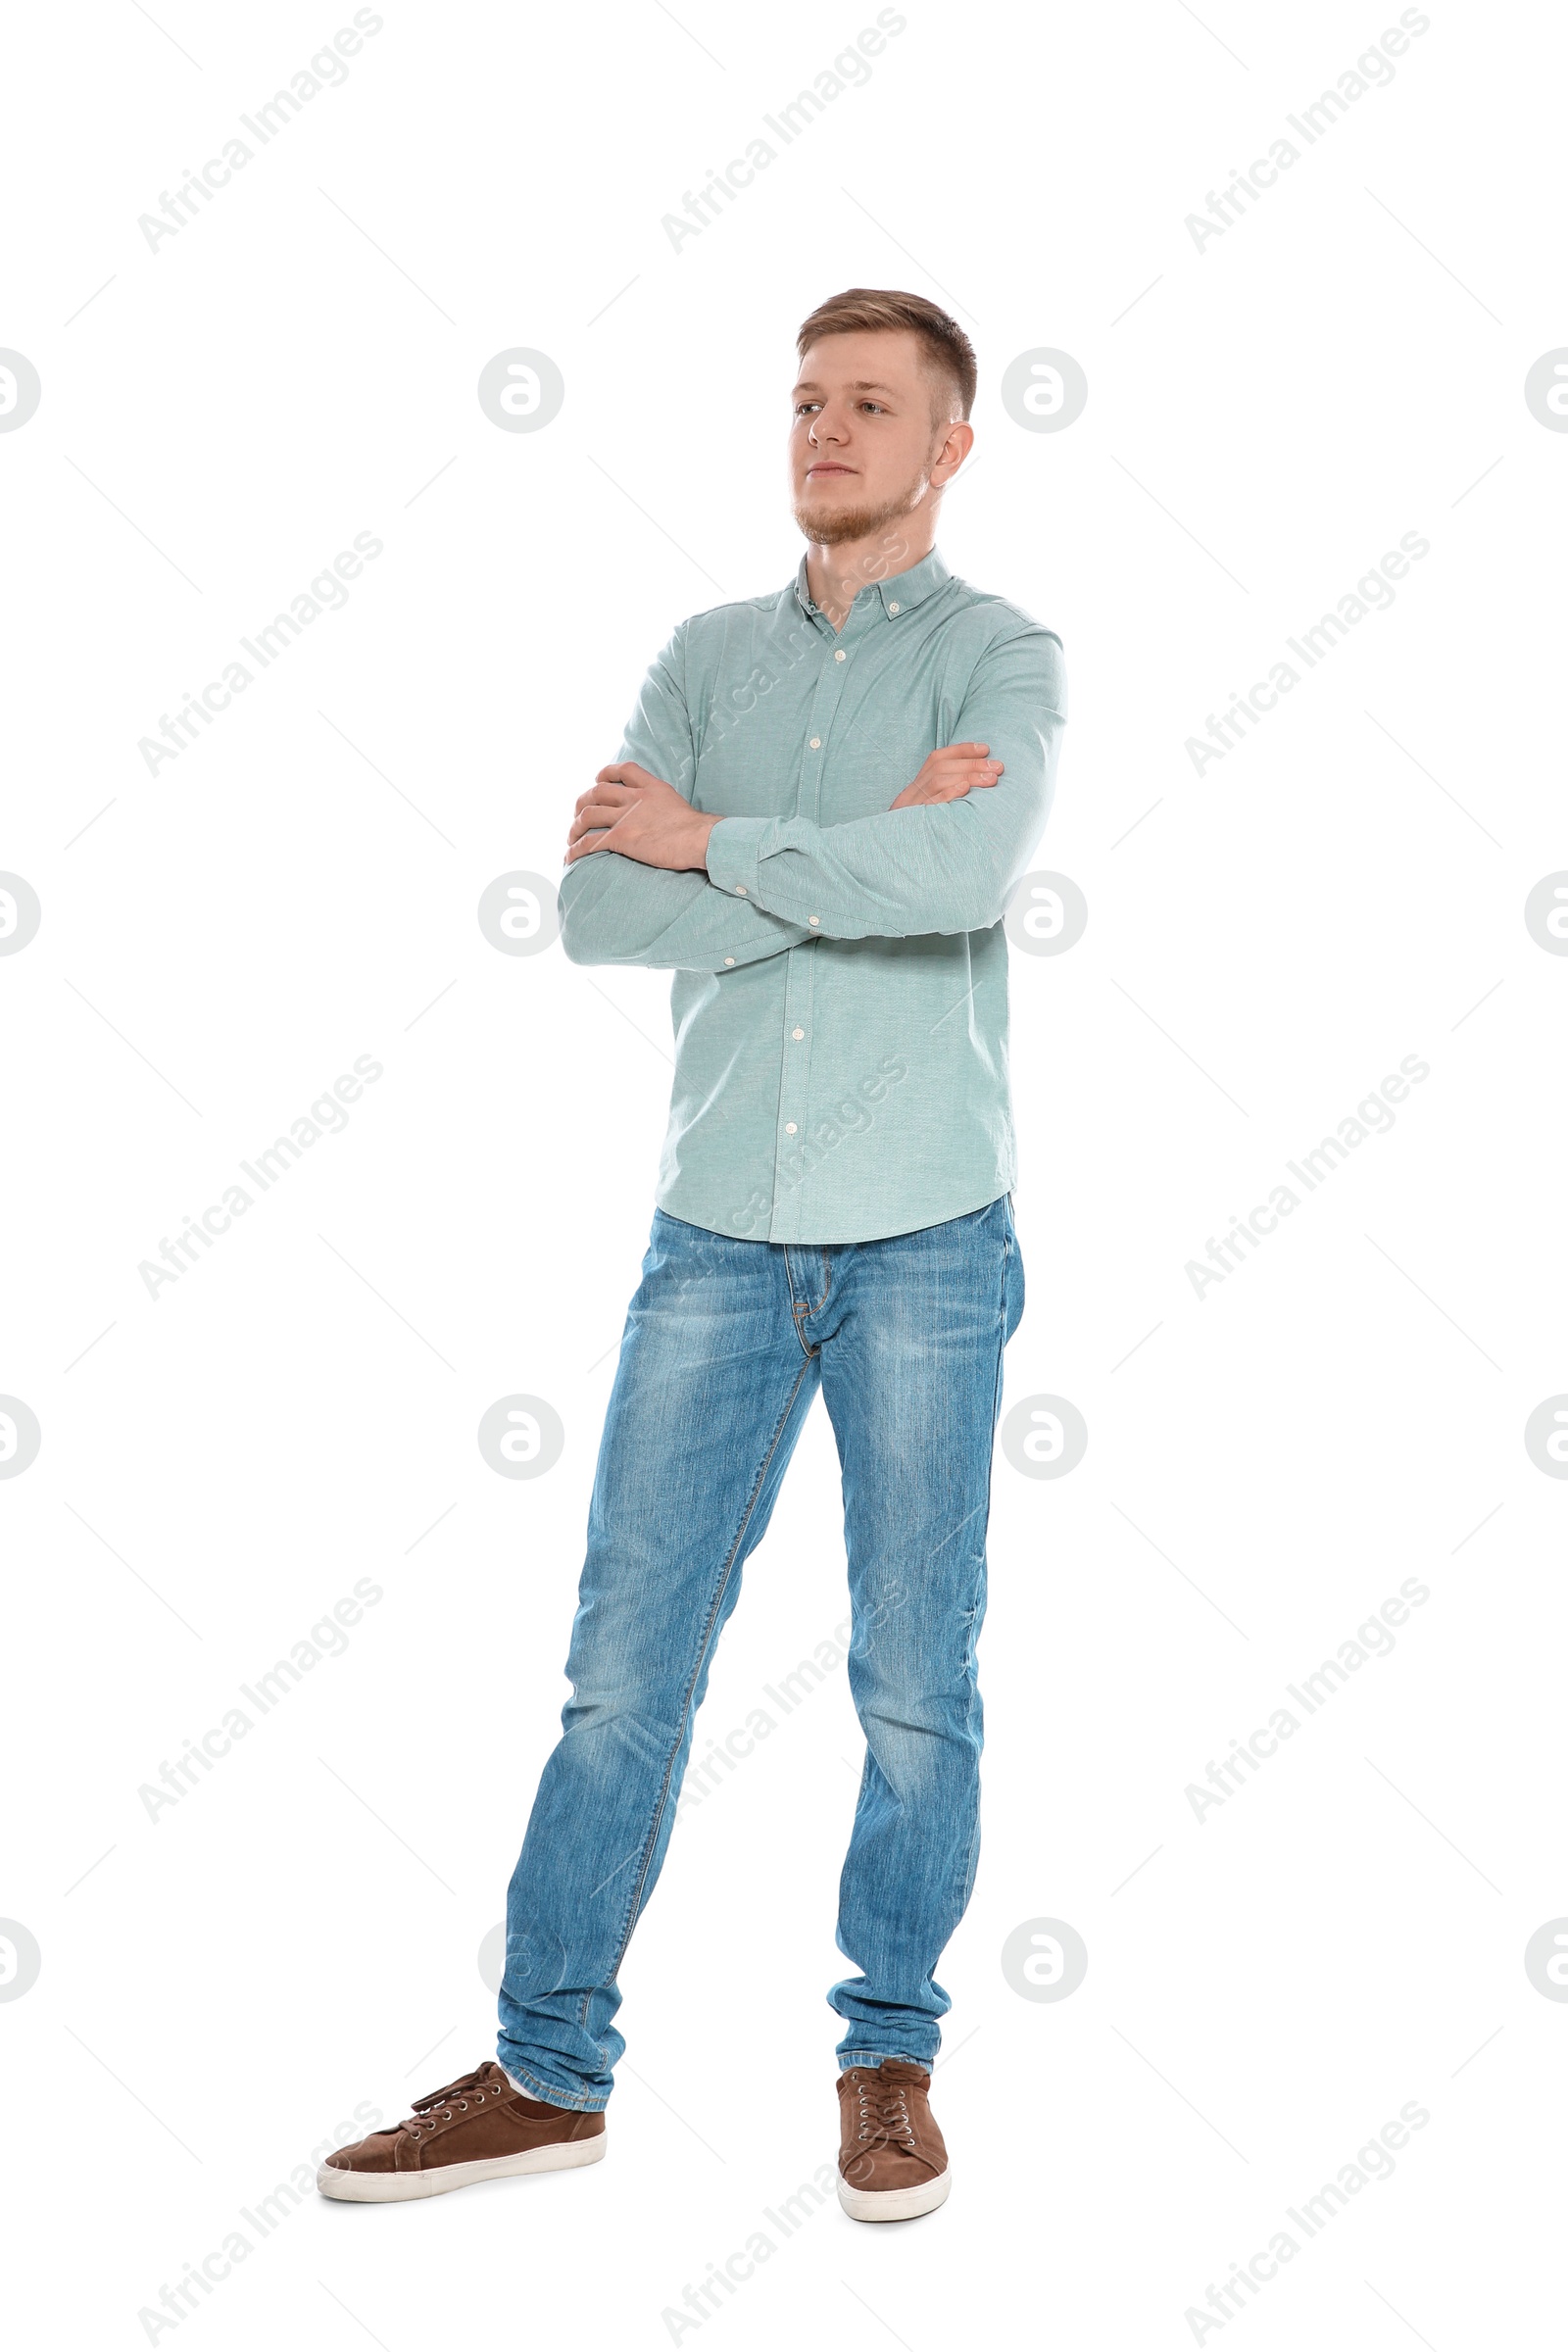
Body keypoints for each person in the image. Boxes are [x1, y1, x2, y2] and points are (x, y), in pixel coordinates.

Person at [318, 286, 1066, 2222]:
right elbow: (583, 913)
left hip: (922, 1242)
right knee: (620, 1679)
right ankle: (549, 2071)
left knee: (916, 1686)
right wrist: (826, 863)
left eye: (870, 406)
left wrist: (710, 842)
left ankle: (884, 2062)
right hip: (712, 1245)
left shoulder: (996, 659)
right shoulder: (702, 654)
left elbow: (962, 881)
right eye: (806, 400)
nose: (825, 430)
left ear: (948, 445)